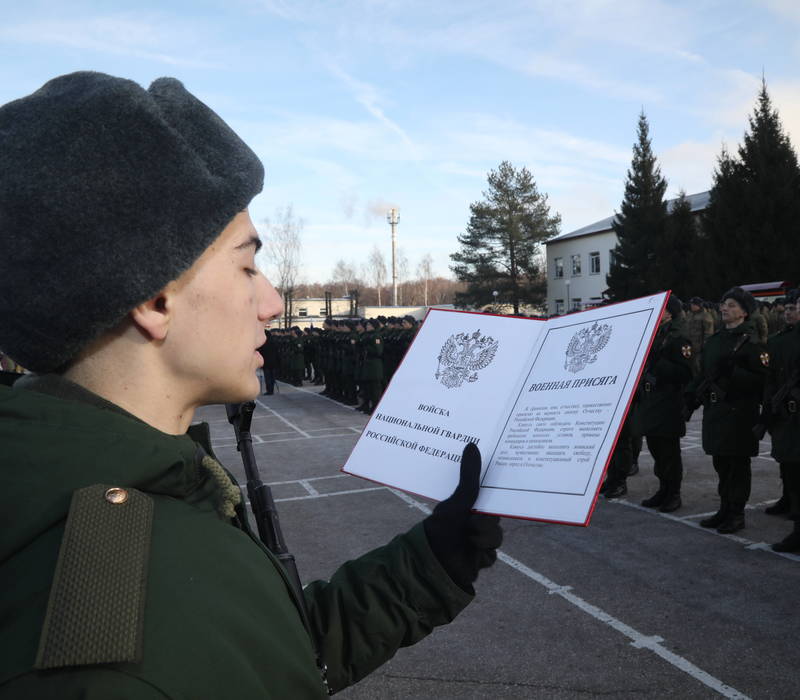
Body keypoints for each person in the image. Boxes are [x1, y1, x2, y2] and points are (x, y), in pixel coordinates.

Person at [0, 72, 502, 698]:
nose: (269, 301)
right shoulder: (103, 645)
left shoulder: (129, 491)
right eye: (247, 265)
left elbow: (267, 655)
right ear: (154, 300)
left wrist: (433, 560)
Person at [685, 287, 768, 534]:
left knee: (738, 466)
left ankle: (736, 513)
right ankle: (724, 508)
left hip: (739, 413)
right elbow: (703, 374)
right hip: (716, 412)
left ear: (744, 312)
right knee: (721, 463)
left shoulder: (753, 343)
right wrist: (690, 396)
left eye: (731, 305)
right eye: (723, 304)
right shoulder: (716, 341)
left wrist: (736, 373)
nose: (724, 308)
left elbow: (763, 381)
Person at [633, 295, 694, 512]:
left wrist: (661, 367)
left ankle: (673, 493)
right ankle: (663, 489)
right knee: (656, 448)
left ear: (669, 312)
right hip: (651, 400)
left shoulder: (679, 338)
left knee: (669, 451)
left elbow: (687, 373)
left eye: (661, 309)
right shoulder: (656, 335)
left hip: (668, 401)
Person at [762, 290, 800, 550]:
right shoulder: (778, 341)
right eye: (788, 307)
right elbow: (771, 377)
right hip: (785, 412)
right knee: (789, 464)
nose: (789, 311)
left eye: (793, 307)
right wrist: (769, 407)